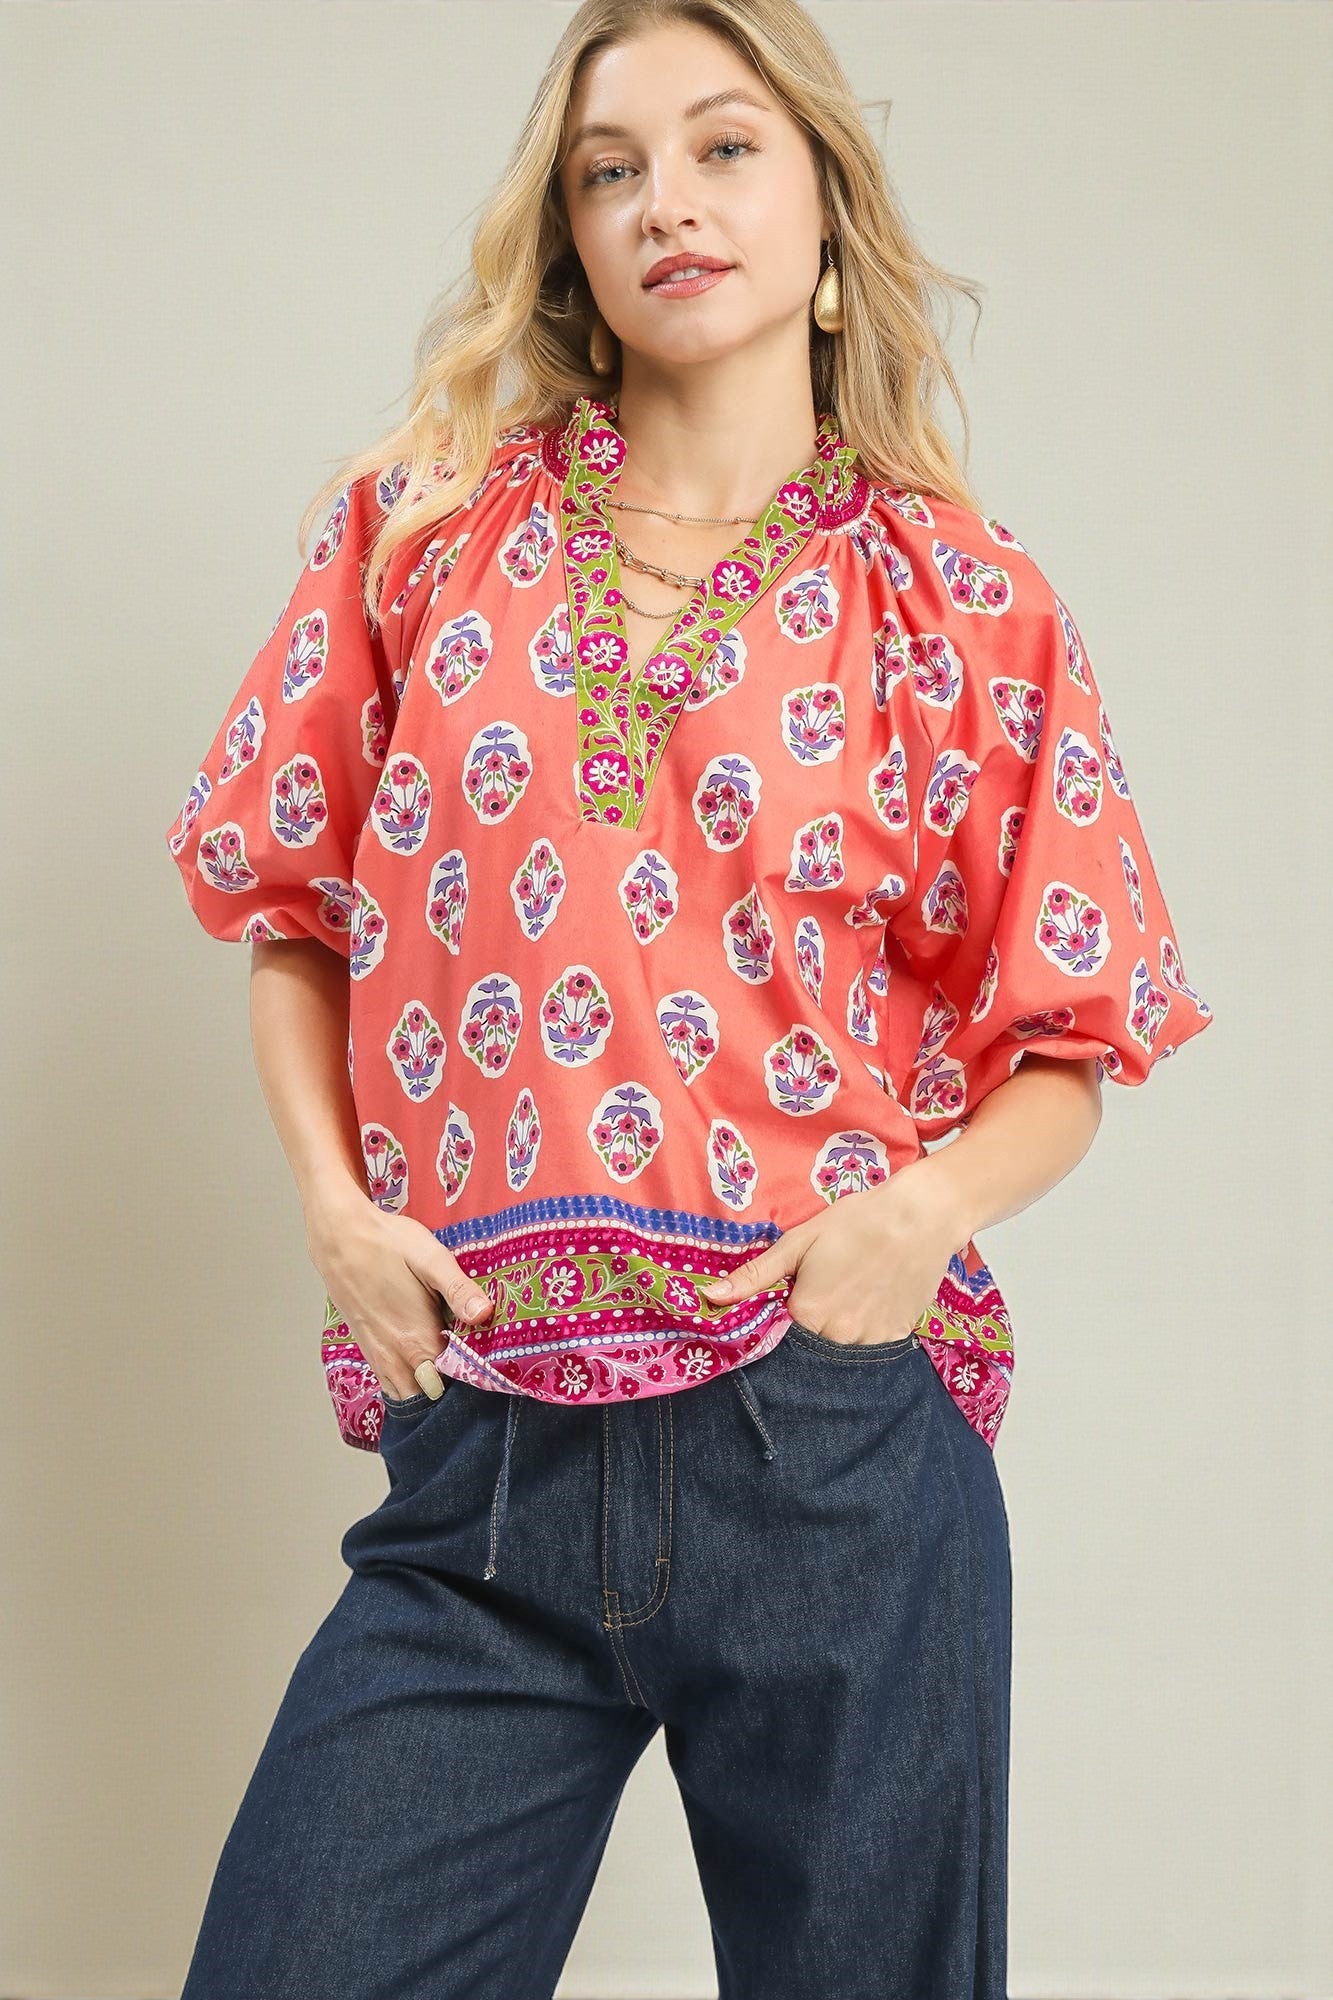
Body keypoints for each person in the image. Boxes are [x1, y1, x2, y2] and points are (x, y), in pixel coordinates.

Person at [164, 2, 1214, 1994]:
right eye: (611, 168)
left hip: (821, 1446)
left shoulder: (957, 598)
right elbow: (293, 911)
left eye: (723, 147)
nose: (668, 202)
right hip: (485, 1461)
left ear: (824, 213)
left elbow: (1068, 1040)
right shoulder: (422, 532)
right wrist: (333, 1212)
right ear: (568, 238)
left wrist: (914, 1222)